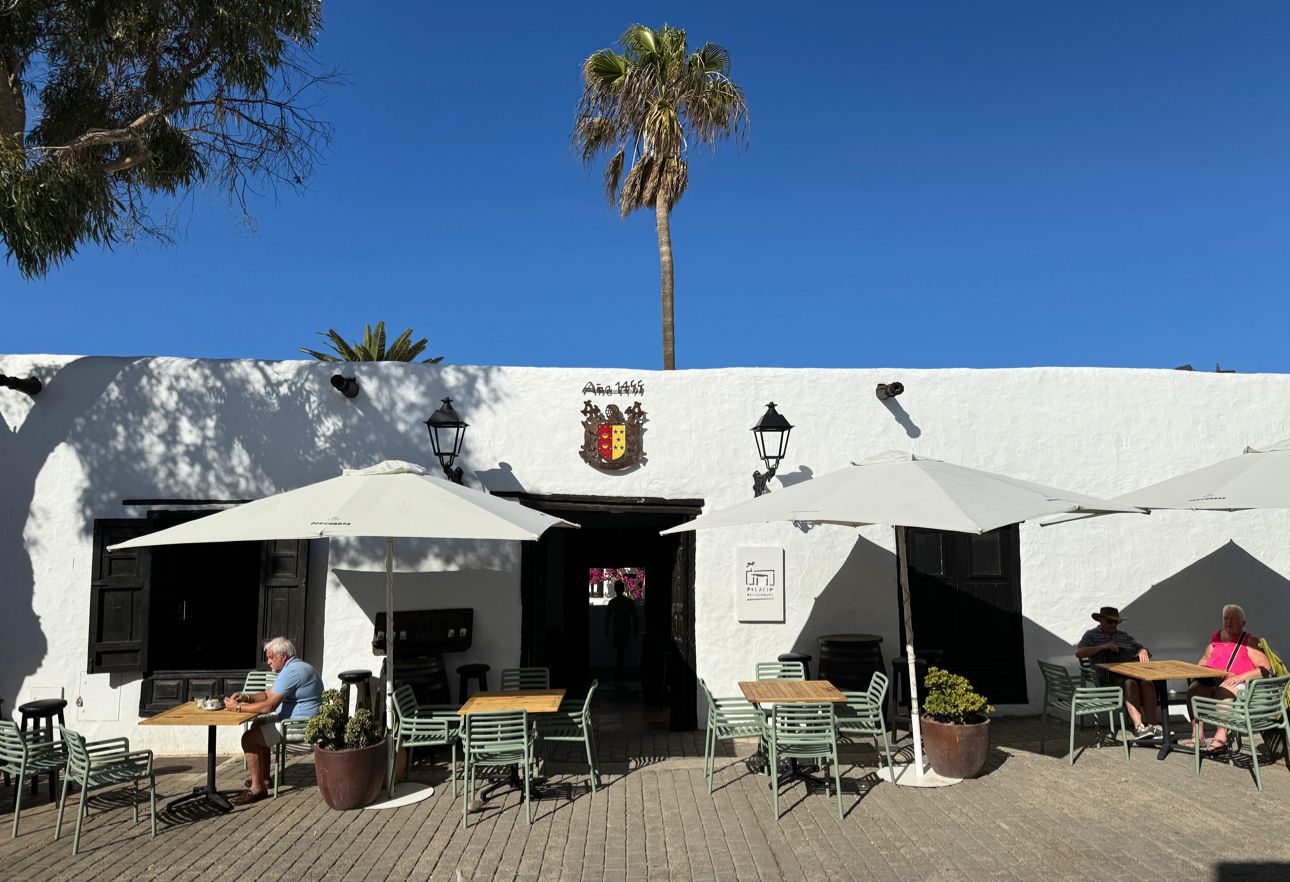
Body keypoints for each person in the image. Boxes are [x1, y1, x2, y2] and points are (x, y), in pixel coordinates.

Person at [224, 636, 322, 806]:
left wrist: (238, 708)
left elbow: (269, 706)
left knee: (248, 739)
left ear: (282, 655)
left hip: (298, 727)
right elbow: (267, 694)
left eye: (270, 657)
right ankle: (264, 778)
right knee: (258, 724)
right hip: (299, 722)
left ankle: (257, 789)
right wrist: (245, 697)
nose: (268, 662)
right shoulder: (295, 667)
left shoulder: (292, 672)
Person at [1184, 604, 1270, 754]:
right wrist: (1200, 670)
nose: (1229, 622)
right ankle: (1198, 735)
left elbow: (1265, 668)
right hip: (1214, 680)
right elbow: (1205, 659)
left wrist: (1240, 676)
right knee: (1193, 690)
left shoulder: (1249, 641)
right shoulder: (1215, 638)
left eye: (1233, 619)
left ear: (1243, 623)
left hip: (1239, 683)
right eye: (1226, 618)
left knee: (1223, 691)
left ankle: (1221, 736)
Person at [1074, 606, 1160, 739]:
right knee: (1130, 684)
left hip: (1128, 673)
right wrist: (1103, 646)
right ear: (1101, 620)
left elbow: (1139, 647)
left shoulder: (1123, 635)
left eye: (1116, 622)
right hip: (1106, 680)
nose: (1113, 625)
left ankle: (1152, 726)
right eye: (1110, 621)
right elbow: (1079, 652)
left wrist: (1143, 651)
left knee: (1147, 682)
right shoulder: (1091, 635)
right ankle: (1139, 727)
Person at [604, 579, 640, 681]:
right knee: (621, 650)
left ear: (615, 589)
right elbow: (635, 617)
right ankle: (619, 671)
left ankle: (619, 671)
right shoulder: (628, 602)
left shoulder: (613, 602)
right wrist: (635, 630)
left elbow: (608, 617)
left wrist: (607, 629)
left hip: (617, 628)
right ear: (623, 589)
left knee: (620, 650)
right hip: (625, 628)